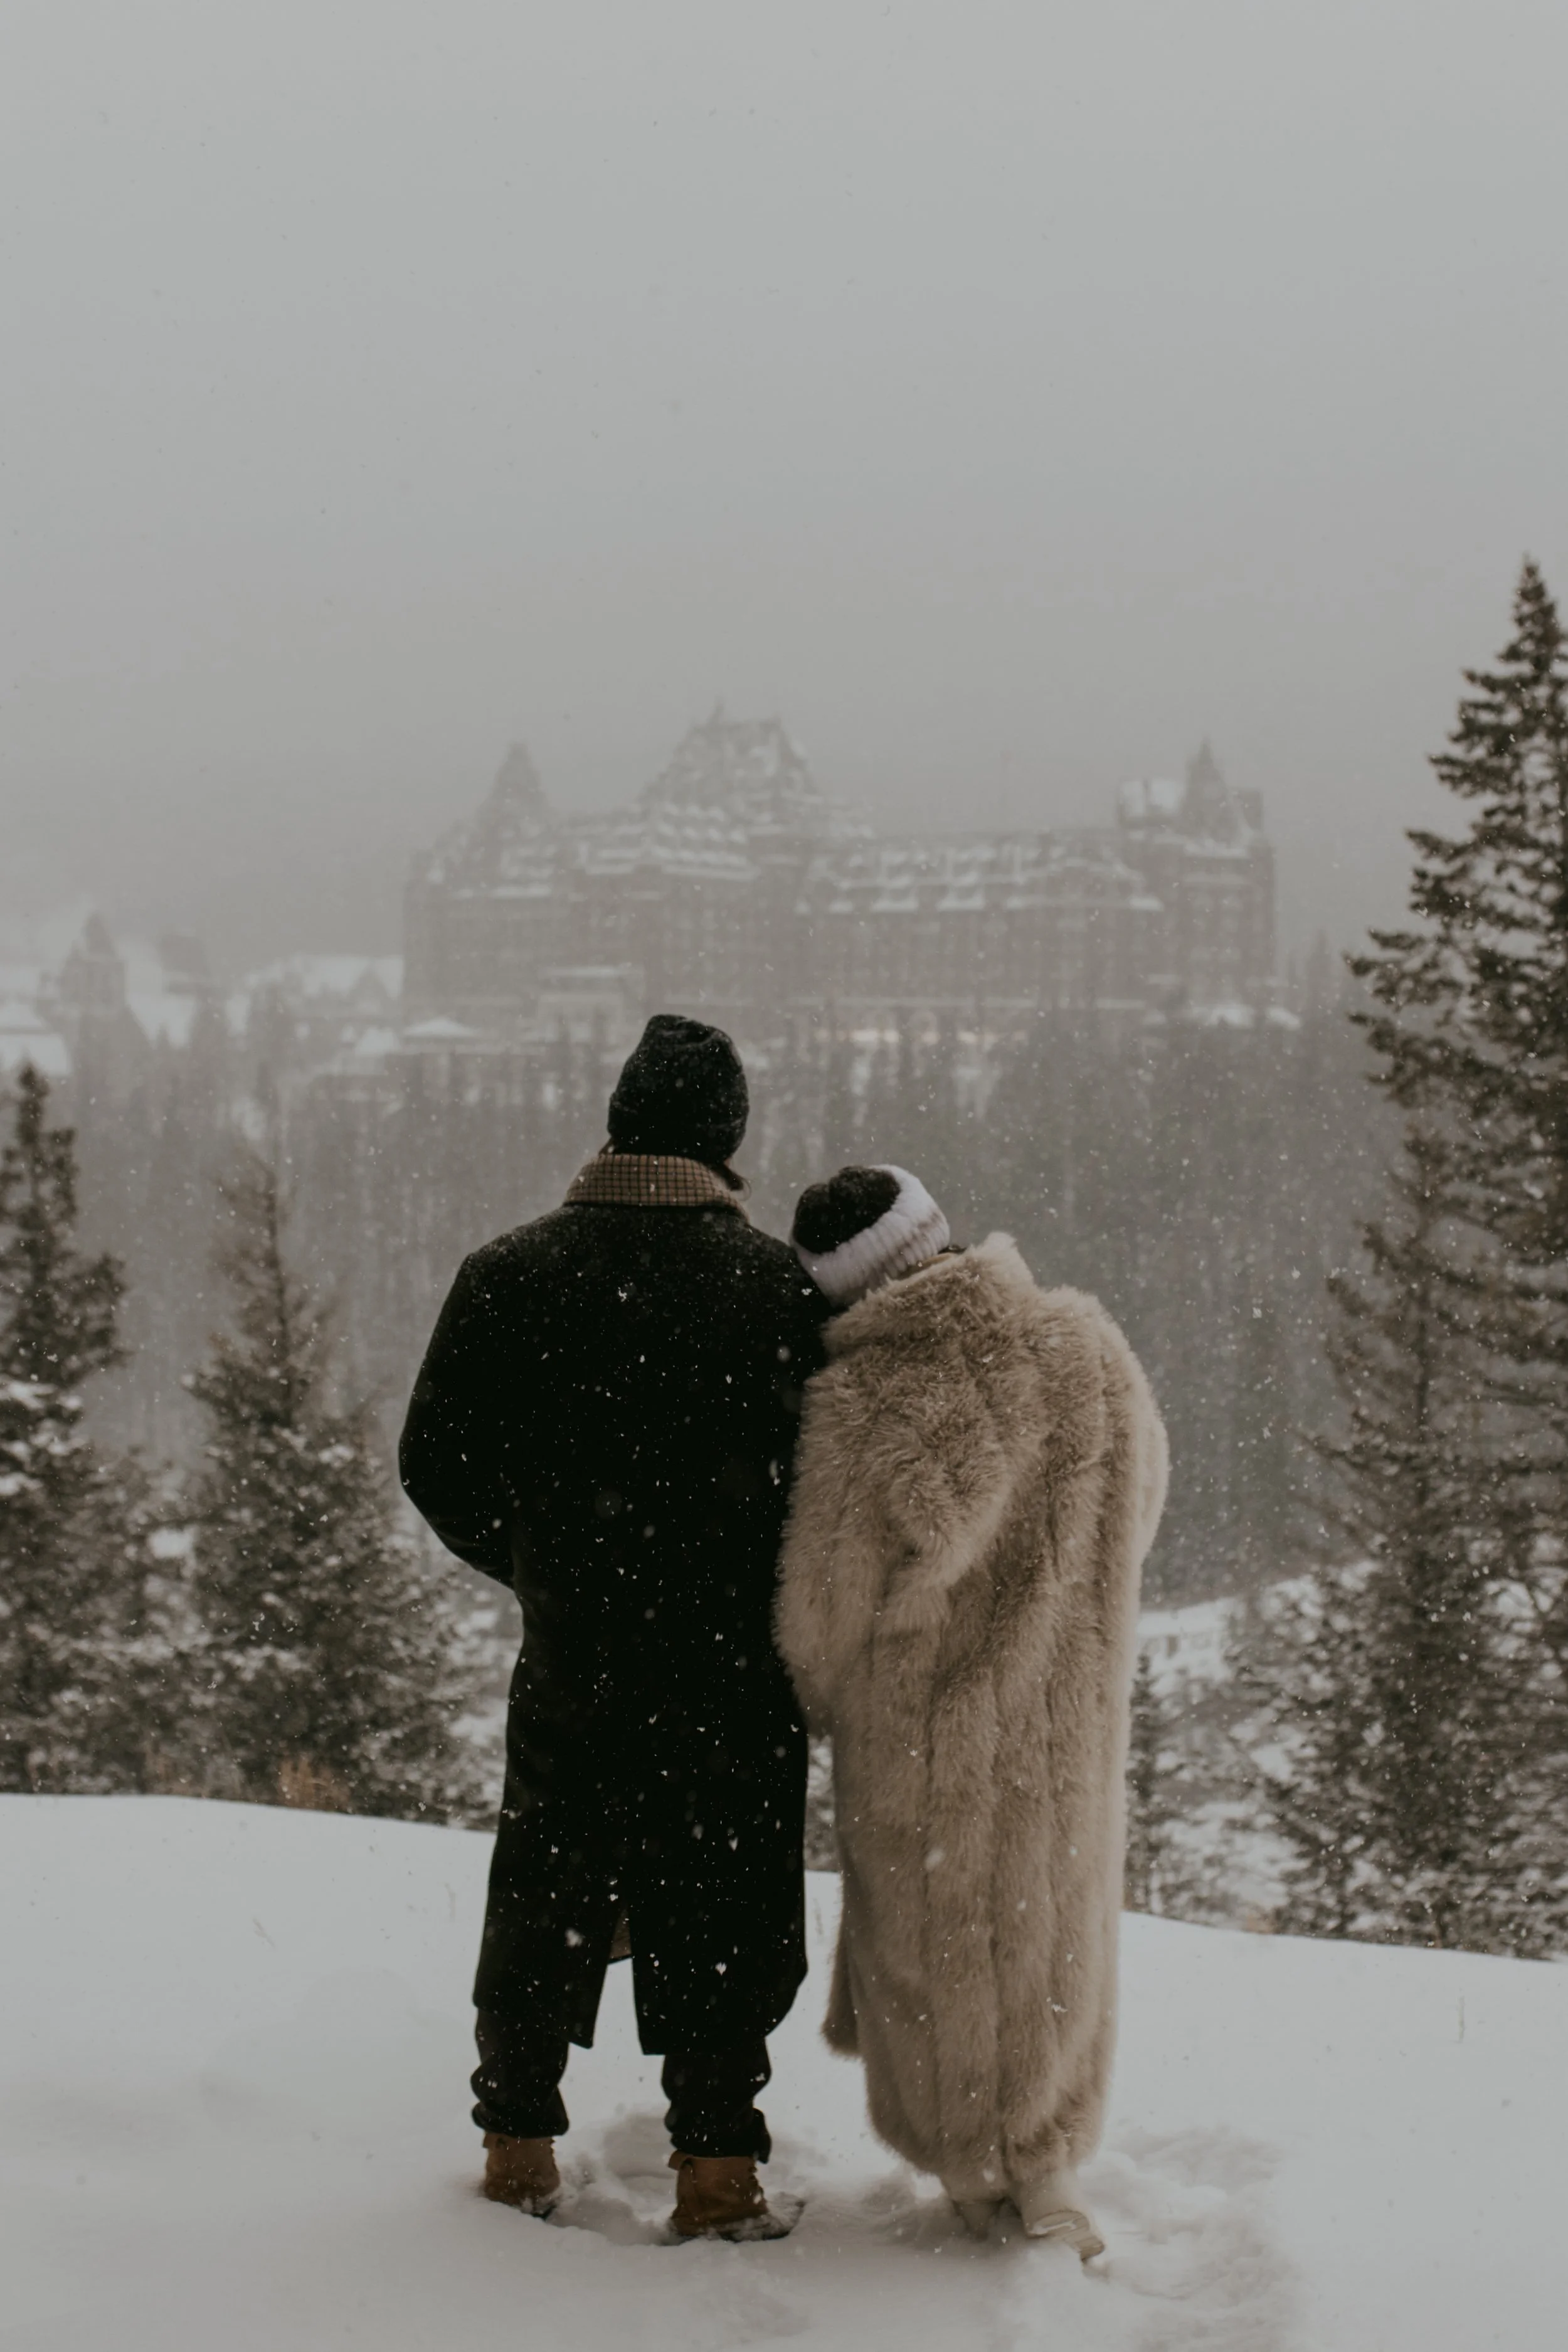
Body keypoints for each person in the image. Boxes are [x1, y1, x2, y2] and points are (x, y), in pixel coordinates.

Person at [400, 1015, 829, 2240]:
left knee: (546, 1882)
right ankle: (714, 2171)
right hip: (729, 1666)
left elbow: (433, 1463)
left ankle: (517, 2147)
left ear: (618, 1119)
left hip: (577, 1649)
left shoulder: (508, 1274)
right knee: (723, 1895)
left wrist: (540, 1564)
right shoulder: (775, 1293)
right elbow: (829, 1486)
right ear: (725, 1139)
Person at [775, 1164, 1167, 2255]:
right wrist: (1063, 1619)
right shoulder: (1087, 1347)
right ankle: (1050, 2172)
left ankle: (976, 2173)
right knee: (1052, 1937)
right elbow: (1140, 1502)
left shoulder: (861, 1404)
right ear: (936, 1232)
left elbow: (819, 1617)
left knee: (939, 1950)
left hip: (924, 1742)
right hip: (1065, 1723)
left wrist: (832, 1696)